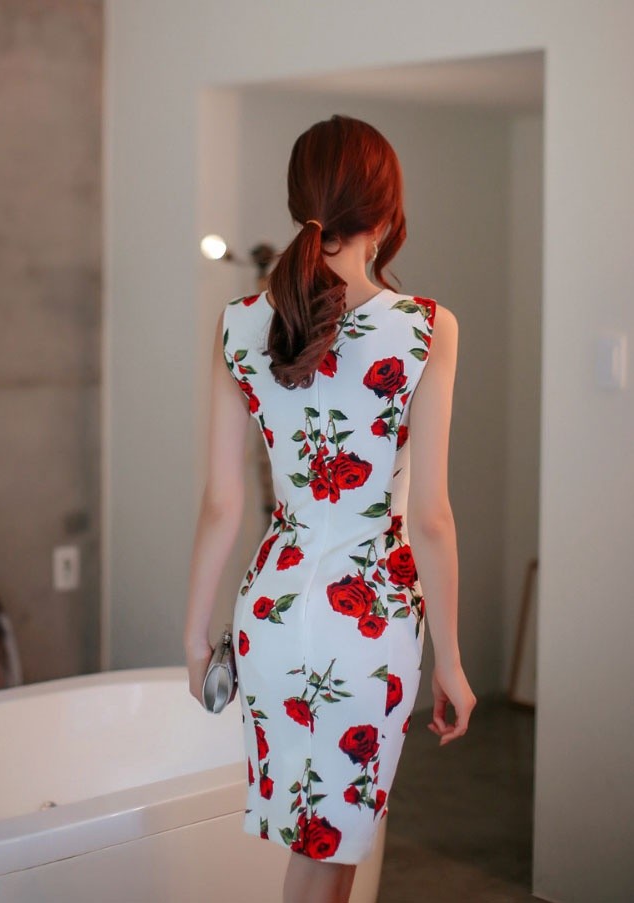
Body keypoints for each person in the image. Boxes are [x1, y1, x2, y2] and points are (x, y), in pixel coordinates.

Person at [183, 113, 476, 903]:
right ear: (387, 210)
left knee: (323, 850)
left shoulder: (239, 323)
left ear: (298, 201)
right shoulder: (425, 328)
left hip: (270, 610)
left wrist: (195, 633)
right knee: (328, 853)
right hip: (369, 617)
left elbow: (221, 502)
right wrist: (451, 660)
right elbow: (431, 516)